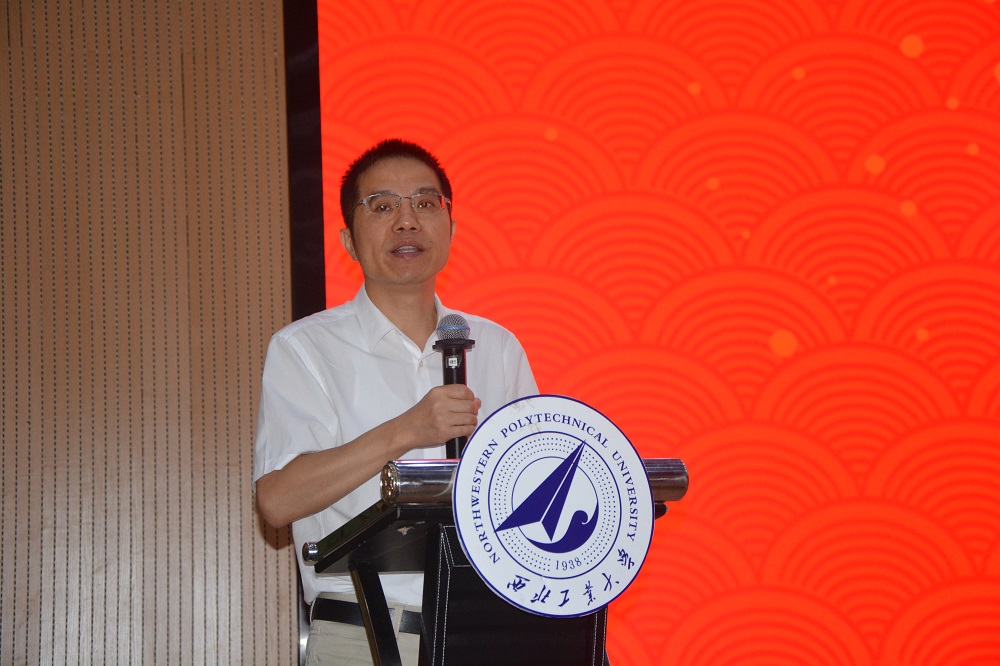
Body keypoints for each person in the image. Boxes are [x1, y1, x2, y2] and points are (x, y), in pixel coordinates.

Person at [253, 139, 537, 665]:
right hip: (363, 638)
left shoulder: (497, 347)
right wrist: (407, 430)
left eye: (426, 204)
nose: (408, 221)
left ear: (451, 229)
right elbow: (277, 499)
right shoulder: (305, 348)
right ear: (348, 239)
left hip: (488, 635)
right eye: (383, 207)